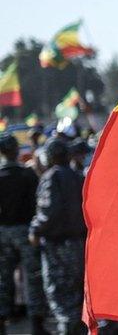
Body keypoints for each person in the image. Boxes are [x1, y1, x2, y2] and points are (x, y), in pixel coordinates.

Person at [29, 140, 86, 335]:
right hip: (78, 244)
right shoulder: (78, 177)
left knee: (60, 295)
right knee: (76, 294)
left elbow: (48, 211)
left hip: (57, 246)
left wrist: (35, 230)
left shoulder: (50, 177)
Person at [0, 134, 47, 335]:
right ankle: (37, 325)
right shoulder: (28, 175)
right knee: (33, 278)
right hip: (26, 232)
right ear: (16, 150)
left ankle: (2, 323)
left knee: (4, 279)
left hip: (3, 232)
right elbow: (38, 202)